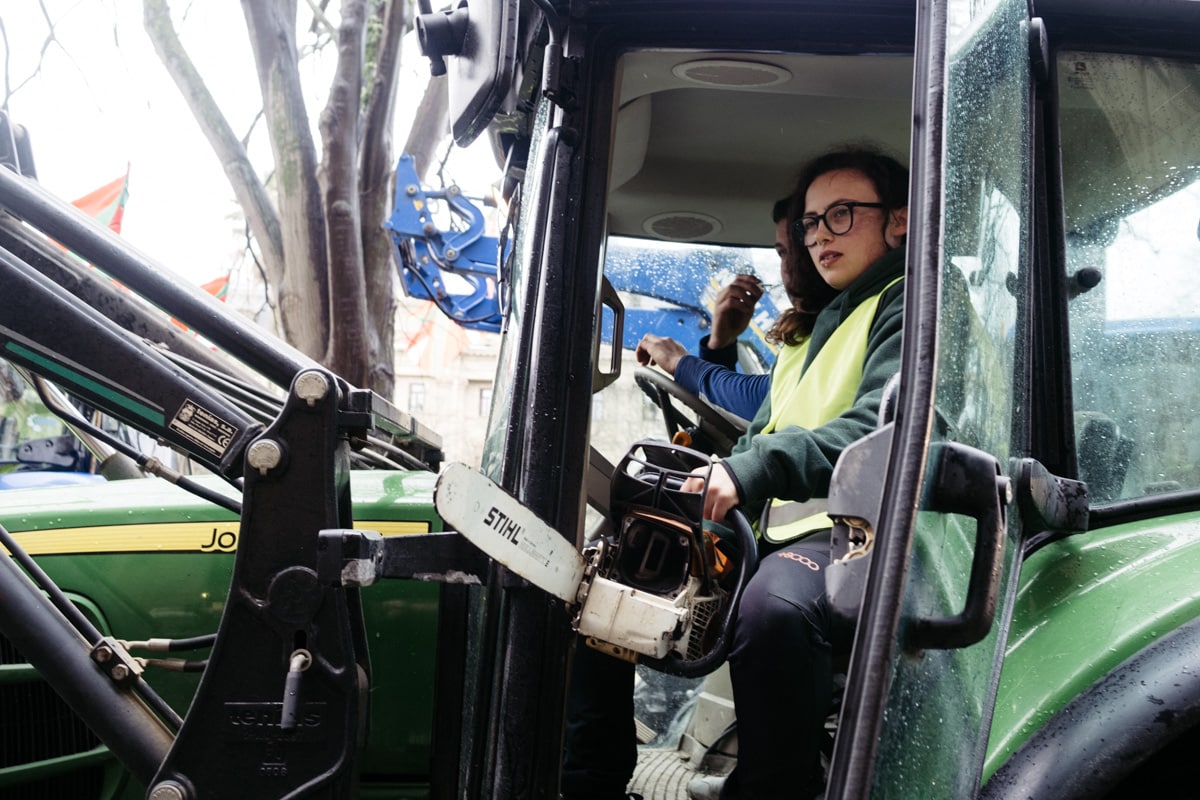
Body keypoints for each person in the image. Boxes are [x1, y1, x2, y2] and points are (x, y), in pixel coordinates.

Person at [561, 147, 909, 800]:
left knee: (772, 610)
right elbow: (762, 429)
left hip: (864, 534)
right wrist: (703, 489)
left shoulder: (912, 306)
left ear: (900, 220)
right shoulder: (819, 329)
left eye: (840, 215)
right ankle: (589, 783)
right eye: (810, 223)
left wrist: (748, 470)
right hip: (784, 527)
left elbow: (881, 431)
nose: (817, 237)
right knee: (619, 570)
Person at [636, 196, 839, 421]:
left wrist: (680, 363)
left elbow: (769, 398)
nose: (788, 268)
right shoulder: (808, 333)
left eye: (799, 251)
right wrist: (720, 345)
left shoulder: (841, 328)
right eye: (782, 253)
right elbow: (728, 413)